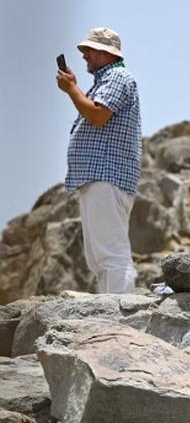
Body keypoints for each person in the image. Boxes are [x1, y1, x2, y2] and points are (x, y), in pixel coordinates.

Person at [56, 27, 142, 293]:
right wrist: (75, 88)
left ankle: (119, 309)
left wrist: (72, 89)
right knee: (99, 256)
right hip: (100, 176)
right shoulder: (107, 80)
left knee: (110, 254)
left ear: (107, 53)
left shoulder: (117, 77)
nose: (84, 55)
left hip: (106, 175)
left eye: (89, 50)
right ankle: (110, 308)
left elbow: (97, 115)